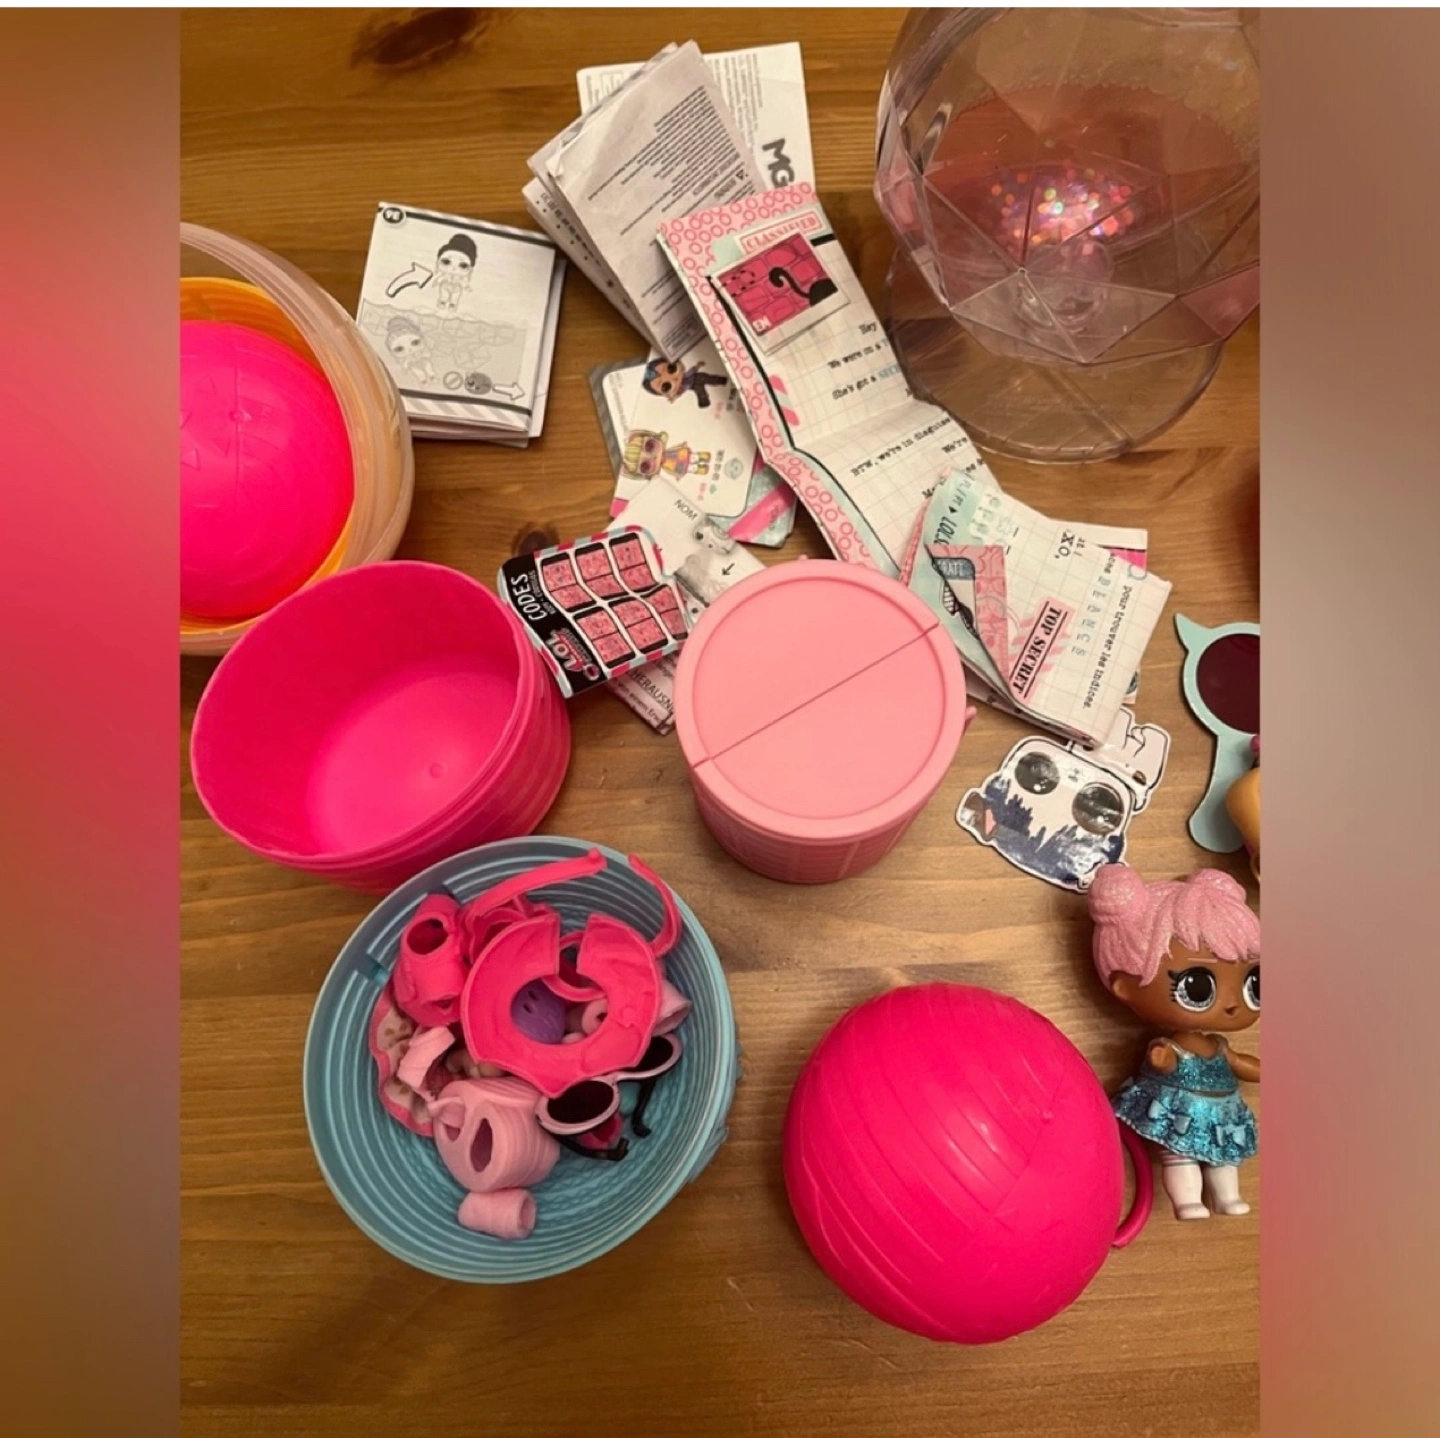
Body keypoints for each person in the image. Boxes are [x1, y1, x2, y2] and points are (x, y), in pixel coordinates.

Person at [1089, 864, 1260, 1220]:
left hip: (1221, 1113)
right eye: (1197, 987)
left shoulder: (1218, 1045)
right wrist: (1162, 1059)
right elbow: (1161, 1060)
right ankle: (1188, 1201)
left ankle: (1227, 1197)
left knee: (1224, 1158)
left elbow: (1239, 1062)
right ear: (1124, 986)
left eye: (1253, 984)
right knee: (1179, 1156)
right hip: (1179, 1110)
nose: (1232, 1003)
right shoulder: (1173, 1045)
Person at [434, 232, 477, 312]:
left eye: (463, 265)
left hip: (456, 288)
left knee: (455, 296)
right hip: (445, 286)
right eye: (446, 262)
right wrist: (437, 281)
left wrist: (466, 286)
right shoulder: (446, 275)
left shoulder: (460, 278)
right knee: (444, 293)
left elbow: (463, 282)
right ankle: (443, 300)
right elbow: (441, 278)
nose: (453, 269)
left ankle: (453, 304)